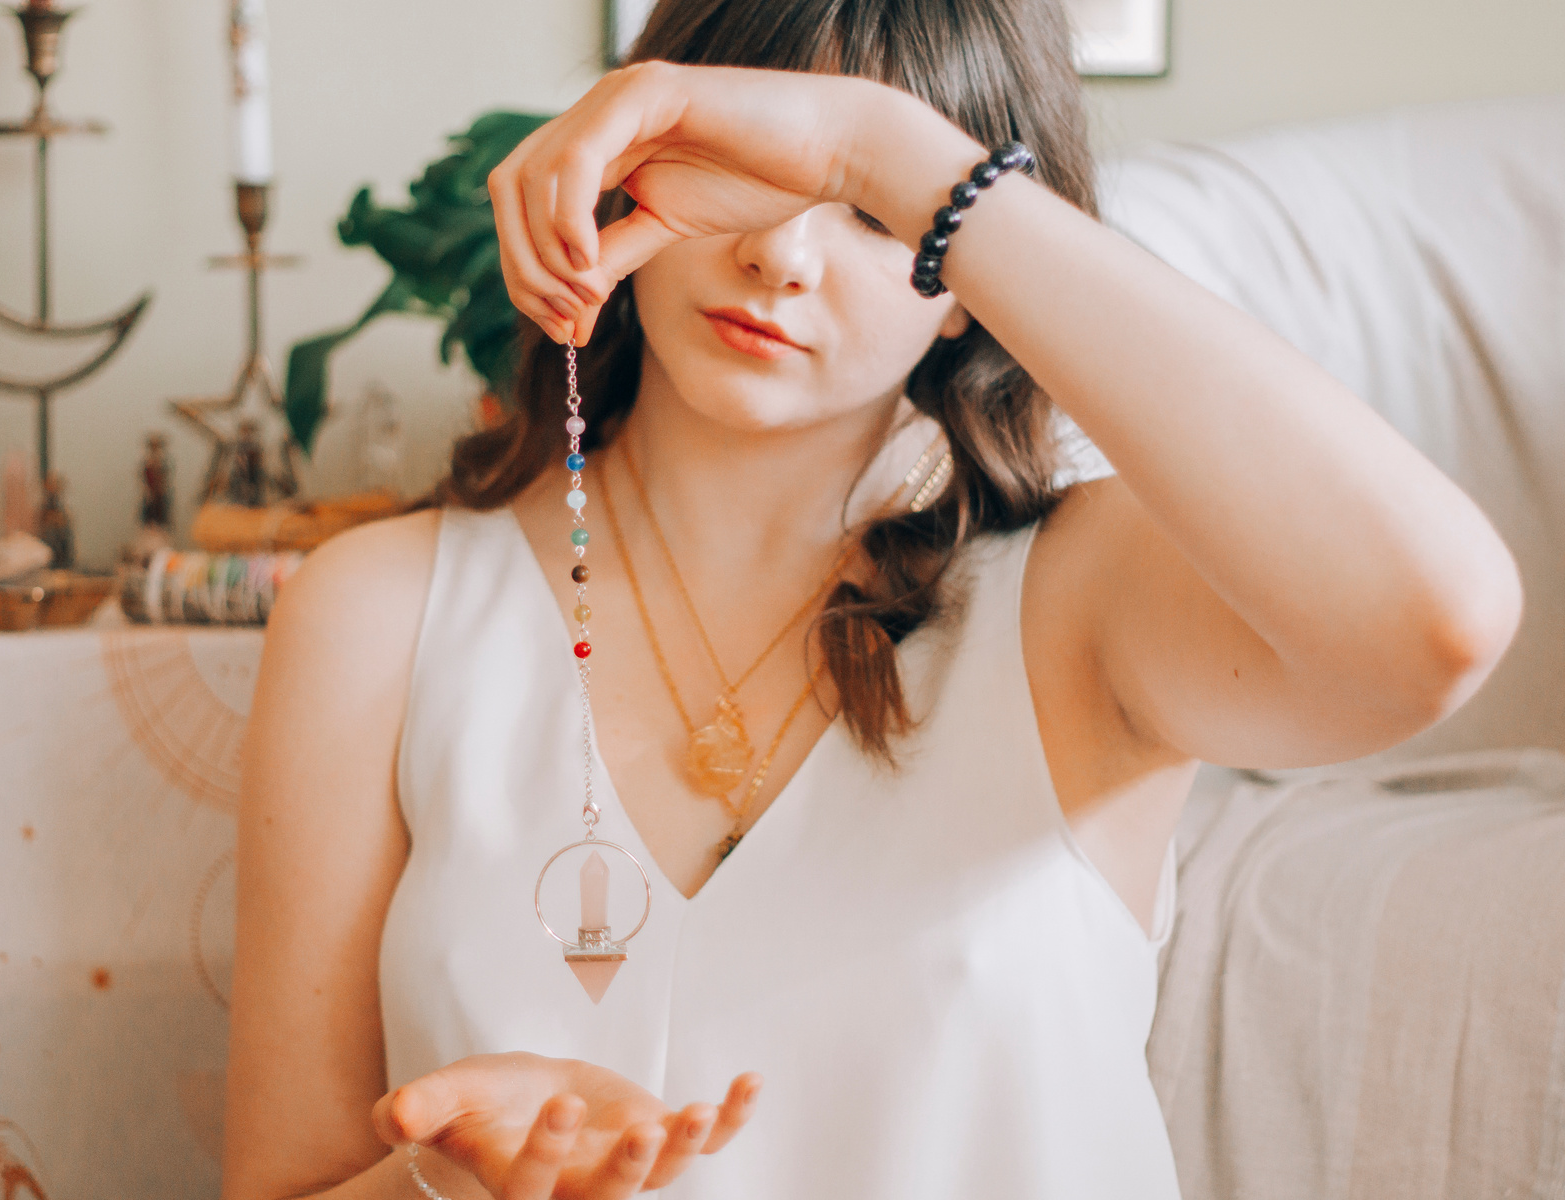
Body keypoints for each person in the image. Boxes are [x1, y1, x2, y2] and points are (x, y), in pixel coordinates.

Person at [221, 1, 1522, 1197]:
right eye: (755, 172)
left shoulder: (1082, 605)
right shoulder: (377, 613)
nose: (783, 254)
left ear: (966, 289)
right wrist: (447, 1185)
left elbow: (1435, 625)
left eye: (867, 215)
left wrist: (890, 150)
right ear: (633, 161)